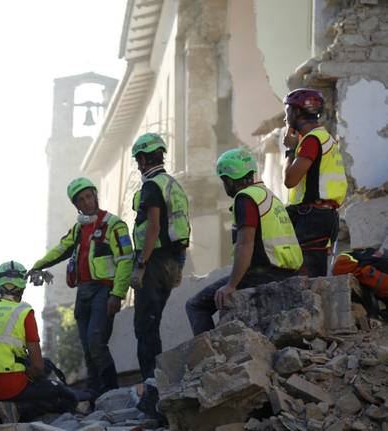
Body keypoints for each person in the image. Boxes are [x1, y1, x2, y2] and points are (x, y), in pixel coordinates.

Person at [28, 177, 133, 395]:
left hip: (104, 291)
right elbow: (60, 250)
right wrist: (37, 266)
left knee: (96, 341)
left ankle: (111, 391)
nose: (86, 202)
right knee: (87, 347)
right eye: (80, 200)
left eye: (88, 197)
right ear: (76, 205)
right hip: (83, 292)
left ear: (95, 196)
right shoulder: (78, 229)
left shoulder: (114, 225)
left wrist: (117, 294)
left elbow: (125, 261)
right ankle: (94, 395)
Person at [186, 149, 303, 336]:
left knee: (195, 305)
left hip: (263, 273)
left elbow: (245, 244)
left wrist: (231, 285)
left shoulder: (245, 199)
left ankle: (209, 355)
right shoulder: (268, 195)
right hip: (286, 271)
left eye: (224, 180)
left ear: (229, 179)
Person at [0, 261, 77, 419]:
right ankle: (17, 410)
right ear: (23, 287)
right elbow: (38, 367)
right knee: (65, 398)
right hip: (10, 388)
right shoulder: (23, 312)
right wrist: (31, 377)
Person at [130, 133, 190, 380]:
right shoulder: (173, 184)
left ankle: (151, 382)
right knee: (152, 322)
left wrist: (140, 265)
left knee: (145, 326)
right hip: (171, 261)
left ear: (143, 159)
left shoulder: (152, 186)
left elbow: (153, 227)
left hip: (153, 262)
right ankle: (156, 380)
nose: (137, 165)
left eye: (138, 160)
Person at [282, 88, 348, 276]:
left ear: (298, 113)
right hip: (323, 215)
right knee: (312, 275)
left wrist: (289, 150)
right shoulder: (324, 137)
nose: (285, 119)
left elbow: (289, 180)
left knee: (304, 278)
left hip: (313, 218)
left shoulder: (311, 141)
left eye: (288, 111)